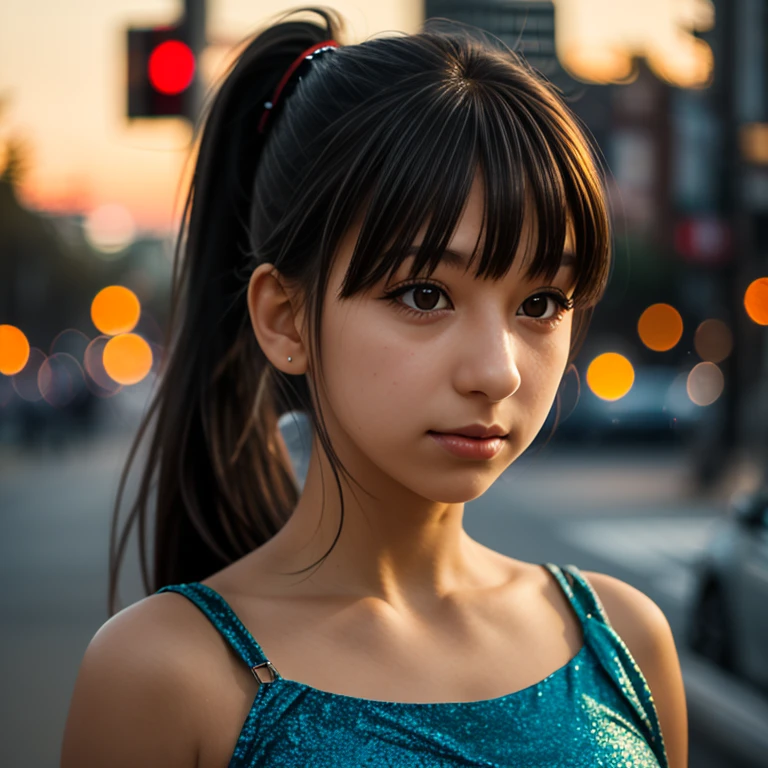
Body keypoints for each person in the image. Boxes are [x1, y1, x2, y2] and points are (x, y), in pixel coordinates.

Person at [61, 7, 688, 767]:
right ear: (285, 318)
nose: (498, 371)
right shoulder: (166, 674)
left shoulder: (624, 641)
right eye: (424, 295)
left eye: (540, 304)